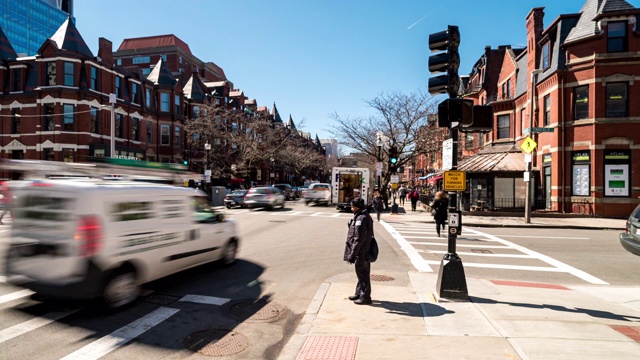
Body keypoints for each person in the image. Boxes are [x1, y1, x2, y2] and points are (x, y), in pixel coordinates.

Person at [343, 197, 374, 305]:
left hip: (362, 252)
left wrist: (353, 254)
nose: (351, 208)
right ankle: (359, 293)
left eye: (352, 206)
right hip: (362, 251)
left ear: (357, 207)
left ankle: (365, 297)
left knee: (363, 273)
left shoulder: (362, 218)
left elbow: (359, 239)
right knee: (361, 273)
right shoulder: (361, 216)